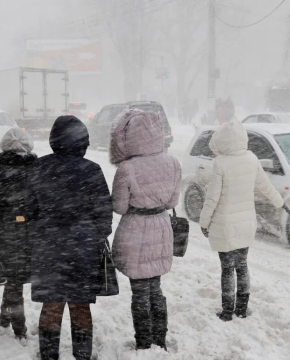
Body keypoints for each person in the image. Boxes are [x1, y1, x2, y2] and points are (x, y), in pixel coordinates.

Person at [27, 116, 112, 360]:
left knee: (51, 305)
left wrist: (42, 233)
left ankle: (49, 355)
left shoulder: (39, 167)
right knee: (80, 304)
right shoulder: (92, 170)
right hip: (82, 250)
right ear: (83, 141)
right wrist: (93, 236)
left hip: (48, 248)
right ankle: (82, 356)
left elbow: (27, 209)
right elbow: (104, 215)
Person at [199, 121, 288, 321]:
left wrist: (204, 223)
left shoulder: (221, 163)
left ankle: (227, 311)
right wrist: (280, 202)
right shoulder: (251, 159)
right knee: (242, 265)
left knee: (227, 268)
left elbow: (212, 198)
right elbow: (265, 186)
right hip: (246, 222)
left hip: (226, 226)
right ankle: (242, 308)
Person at [110, 109, 182, 351]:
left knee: (140, 292)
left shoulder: (126, 169)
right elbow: (172, 202)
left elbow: (119, 207)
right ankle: (159, 338)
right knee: (156, 288)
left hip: (135, 229)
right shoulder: (172, 162)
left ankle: (143, 342)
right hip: (161, 228)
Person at [0, 128, 37, 346]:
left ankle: (9, 320)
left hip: (5, 228)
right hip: (31, 230)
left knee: (13, 277)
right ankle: (18, 327)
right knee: (17, 277)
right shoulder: (37, 169)